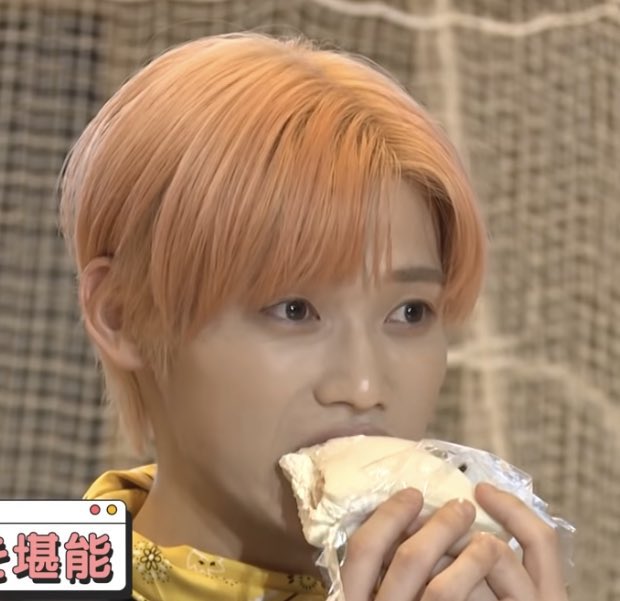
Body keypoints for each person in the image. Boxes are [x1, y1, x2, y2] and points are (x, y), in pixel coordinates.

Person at [59, 32, 567, 601]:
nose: (364, 388)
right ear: (122, 315)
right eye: (295, 310)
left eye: (410, 312)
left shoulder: (478, 584)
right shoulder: (37, 573)